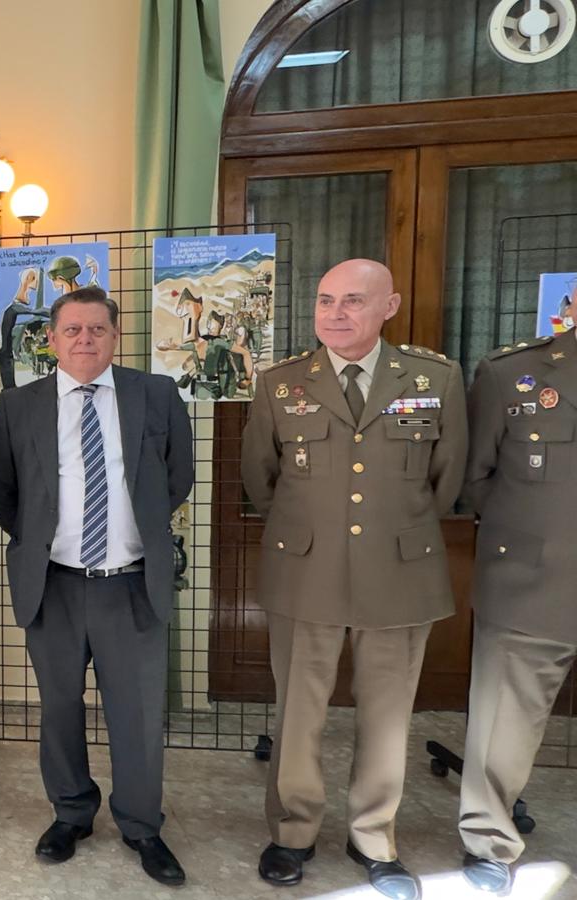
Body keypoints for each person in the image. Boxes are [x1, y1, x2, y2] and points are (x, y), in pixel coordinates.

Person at [241, 259, 466, 900]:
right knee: (299, 713)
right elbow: (262, 477)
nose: (335, 313)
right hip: (304, 570)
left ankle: (373, 835)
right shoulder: (282, 382)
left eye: (353, 301)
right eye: (325, 301)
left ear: (388, 306)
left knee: (389, 715)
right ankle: (292, 832)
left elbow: (446, 479)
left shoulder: (434, 378)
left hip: (399, 572)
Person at [0, 286, 195, 886]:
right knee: (59, 709)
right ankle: (71, 812)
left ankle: (141, 825)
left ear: (115, 335)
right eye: (71, 330)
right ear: (50, 340)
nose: (84, 340)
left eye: (96, 329)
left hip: (130, 585)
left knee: (137, 714)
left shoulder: (155, 394)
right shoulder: (20, 405)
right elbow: (0, 489)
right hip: (54, 584)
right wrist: (40, 538)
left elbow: (177, 477)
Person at [455, 327, 577, 895]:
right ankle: (488, 840)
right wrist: (530, 531)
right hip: (532, 577)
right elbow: (473, 474)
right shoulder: (511, 373)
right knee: (503, 722)